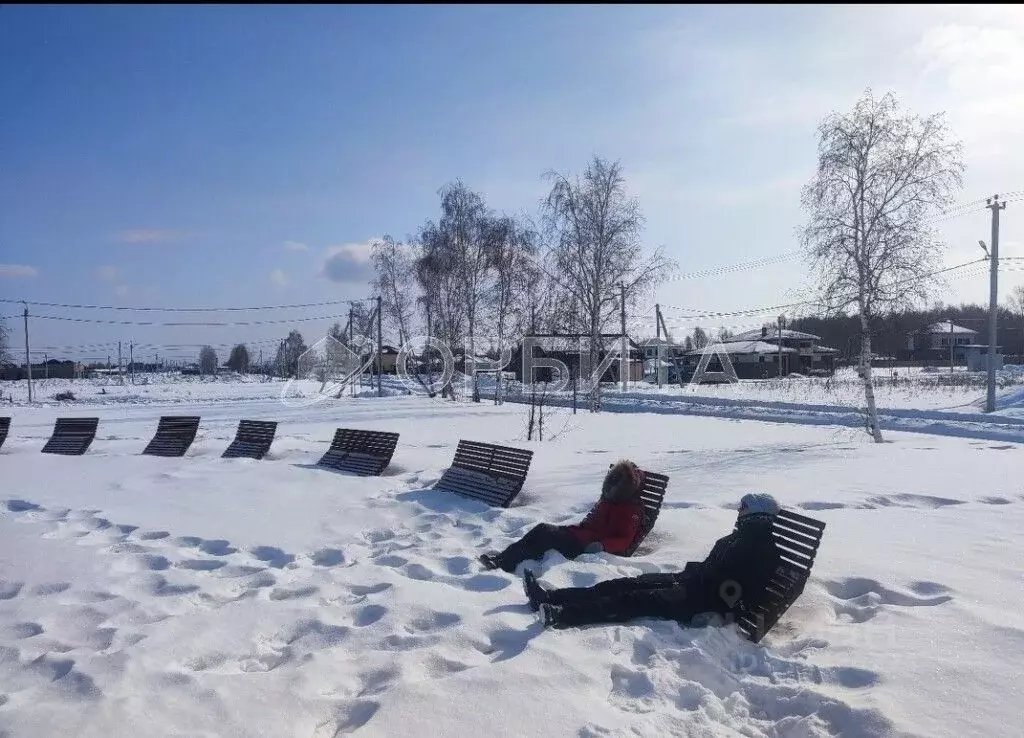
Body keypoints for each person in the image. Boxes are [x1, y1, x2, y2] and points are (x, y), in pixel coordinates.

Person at [523, 492, 782, 630]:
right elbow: (716, 569)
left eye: (744, 509)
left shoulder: (762, 550)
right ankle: (552, 598)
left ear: (758, 516)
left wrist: (708, 594)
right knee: (623, 584)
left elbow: (742, 592)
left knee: (635, 600)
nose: (739, 512)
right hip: (694, 583)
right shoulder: (740, 538)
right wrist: (694, 576)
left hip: (705, 599)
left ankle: (563, 615)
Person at [479, 459, 647, 574]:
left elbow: (625, 539)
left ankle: (503, 562)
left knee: (543, 532)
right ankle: (503, 560)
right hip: (581, 536)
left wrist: (602, 545)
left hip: (589, 546)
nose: (611, 487)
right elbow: (592, 522)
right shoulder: (609, 500)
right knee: (541, 535)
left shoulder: (630, 508)